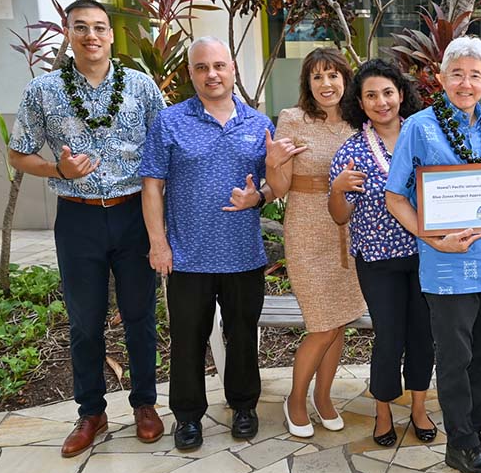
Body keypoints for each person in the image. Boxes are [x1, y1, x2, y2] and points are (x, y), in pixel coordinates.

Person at [8, 0, 166, 457]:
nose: (92, 36)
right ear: (68, 33)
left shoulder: (140, 85)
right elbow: (17, 154)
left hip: (134, 212)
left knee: (140, 316)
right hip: (77, 218)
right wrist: (60, 172)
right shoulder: (43, 90)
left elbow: (163, 146)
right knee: (85, 320)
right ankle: (91, 412)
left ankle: (145, 405)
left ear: (111, 35)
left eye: (99, 27)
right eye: (82, 28)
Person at [386, 35, 481, 473]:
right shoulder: (419, 128)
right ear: (441, 77)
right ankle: (461, 445)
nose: (465, 83)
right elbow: (395, 198)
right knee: (453, 359)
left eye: (474, 75)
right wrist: (433, 237)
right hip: (445, 266)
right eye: (457, 74)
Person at [140, 36, 276, 451]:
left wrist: (262, 195)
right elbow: (152, 185)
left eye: (218, 66)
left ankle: (243, 406)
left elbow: (274, 182)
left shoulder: (258, 124)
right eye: (202, 67)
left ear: (233, 69)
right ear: (191, 74)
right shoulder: (169, 121)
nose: (211, 74)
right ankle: (187, 417)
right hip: (187, 256)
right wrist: (158, 244)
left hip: (243, 254)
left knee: (242, 334)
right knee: (187, 339)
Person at [328, 59, 436, 446]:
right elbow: (340, 217)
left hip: (427, 254)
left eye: (388, 92)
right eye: (371, 95)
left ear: (401, 94)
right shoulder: (352, 150)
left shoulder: (424, 136)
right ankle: (384, 410)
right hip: (377, 259)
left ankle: (420, 407)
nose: (381, 101)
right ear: (360, 101)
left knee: (423, 335)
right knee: (389, 336)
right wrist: (338, 189)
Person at [265, 48, 367, 438]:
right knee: (322, 325)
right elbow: (278, 189)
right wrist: (273, 162)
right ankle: (296, 399)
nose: (326, 84)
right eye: (317, 77)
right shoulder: (293, 120)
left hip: (350, 229)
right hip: (307, 228)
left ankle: (324, 398)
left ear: (346, 78)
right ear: (307, 83)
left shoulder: (359, 123)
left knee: (339, 322)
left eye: (333, 75)